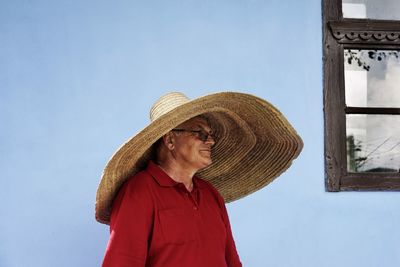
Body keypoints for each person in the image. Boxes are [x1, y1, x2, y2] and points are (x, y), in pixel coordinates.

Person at [95, 92, 303, 267]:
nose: (210, 140)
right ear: (170, 140)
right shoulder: (140, 192)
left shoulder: (210, 194)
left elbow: (232, 260)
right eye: (200, 133)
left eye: (210, 134)